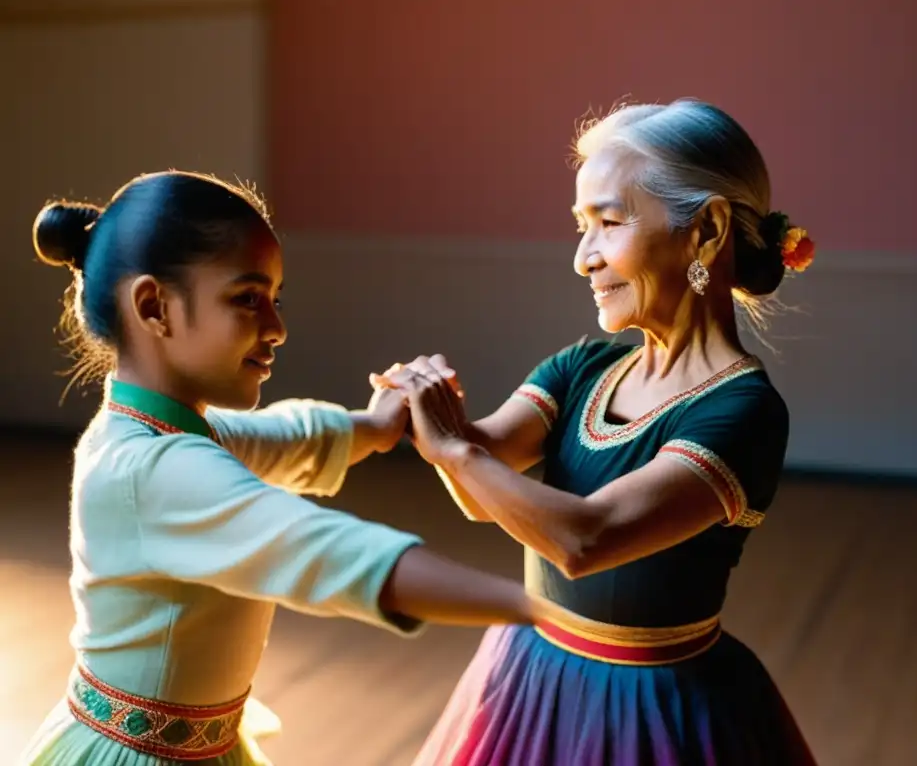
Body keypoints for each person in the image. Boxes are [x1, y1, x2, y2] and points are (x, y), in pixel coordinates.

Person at [17, 170, 552, 766]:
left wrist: (373, 426)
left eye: (276, 299)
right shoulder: (150, 468)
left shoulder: (162, 432)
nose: (276, 327)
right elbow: (317, 548)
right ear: (154, 307)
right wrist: (534, 608)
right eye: (247, 299)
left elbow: (284, 436)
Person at [375, 99, 819, 765]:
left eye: (608, 223)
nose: (584, 259)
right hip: (528, 671)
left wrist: (452, 444)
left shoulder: (744, 412)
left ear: (705, 231)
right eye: (581, 228)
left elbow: (586, 538)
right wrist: (421, 412)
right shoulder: (586, 365)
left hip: (656, 708)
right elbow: (480, 484)